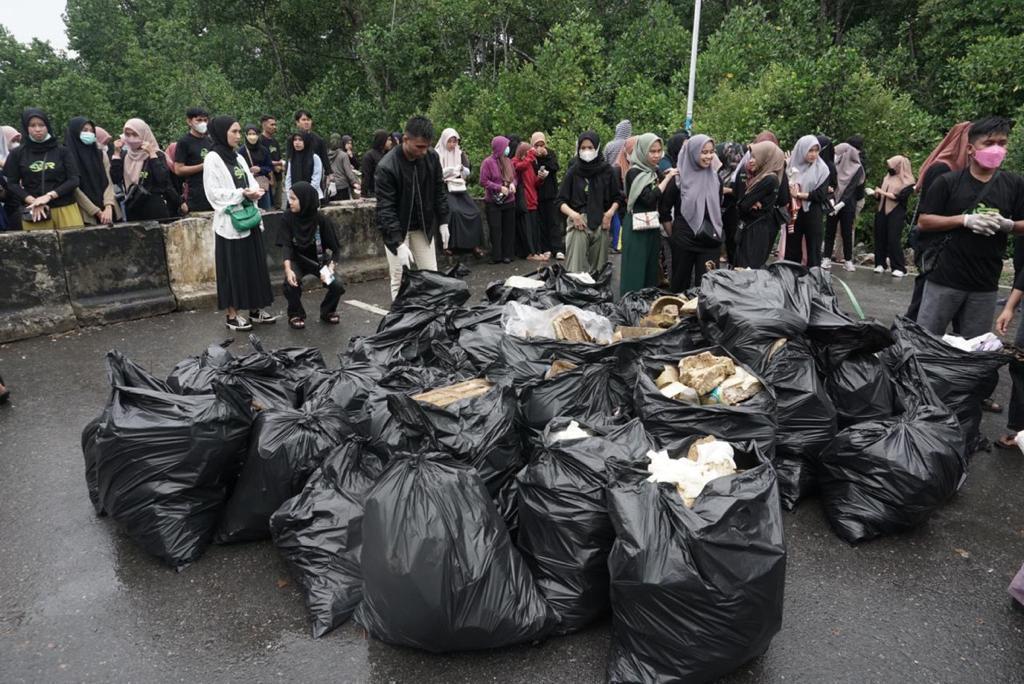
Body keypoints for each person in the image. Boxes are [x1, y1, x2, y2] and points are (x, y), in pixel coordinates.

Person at [916, 116, 1023, 342]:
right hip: (945, 277)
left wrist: (1009, 225)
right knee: (925, 341)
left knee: (973, 348)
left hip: (985, 283)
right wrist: (964, 220)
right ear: (971, 148)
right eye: (989, 143)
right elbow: (924, 221)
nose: (996, 149)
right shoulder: (948, 182)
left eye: (1002, 143)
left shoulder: (1014, 185)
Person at [203, 115, 276, 330]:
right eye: (233, 131)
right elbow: (214, 193)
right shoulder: (213, 158)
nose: (238, 135)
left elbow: (251, 181)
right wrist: (241, 193)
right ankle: (232, 315)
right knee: (232, 269)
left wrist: (254, 191)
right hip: (229, 223)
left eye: (239, 131)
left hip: (249, 219)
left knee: (253, 266)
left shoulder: (239, 157)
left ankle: (255, 309)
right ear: (221, 133)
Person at [374, 115, 450, 300]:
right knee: (399, 278)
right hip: (398, 229)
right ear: (405, 139)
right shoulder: (387, 167)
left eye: (426, 146)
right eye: (419, 147)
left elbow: (439, 190)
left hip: (423, 226)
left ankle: (430, 317)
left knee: (431, 275)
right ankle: (399, 322)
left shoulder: (432, 157)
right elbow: (386, 209)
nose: (423, 151)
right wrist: (398, 243)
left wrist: (443, 221)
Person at [905, 121, 972, 321]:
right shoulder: (942, 169)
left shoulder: (964, 172)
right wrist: (963, 219)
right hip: (934, 245)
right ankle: (903, 340)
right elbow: (928, 215)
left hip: (950, 247)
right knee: (924, 302)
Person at [659, 134, 722, 291]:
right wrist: (674, 236)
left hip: (710, 239)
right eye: (704, 152)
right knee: (680, 285)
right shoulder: (679, 179)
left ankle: (702, 316)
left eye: (711, 152)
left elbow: (718, 207)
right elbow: (664, 210)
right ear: (693, 153)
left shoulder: (715, 178)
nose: (708, 156)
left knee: (708, 286)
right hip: (684, 240)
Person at [3, 108, 84, 230]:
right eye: (32, 125)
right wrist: (34, 201)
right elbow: (12, 183)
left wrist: (48, 196)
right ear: (26, 128)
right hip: (35, 211)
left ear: (47, 126)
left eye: (41, 125)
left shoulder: (62, 151)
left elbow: (74, 180)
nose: (37, 129)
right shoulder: (17, 154)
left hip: (65, 207)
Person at [279, 181, 345, 329]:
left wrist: (331, 268)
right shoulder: (287, 217)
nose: (290, 202)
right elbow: (286, 246)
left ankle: (328, 311)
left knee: (337, 285)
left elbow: (336, 250)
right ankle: (295, 313)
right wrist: (288, 270)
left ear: (305, 199)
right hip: (298, 260)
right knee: (290, 283)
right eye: (290, 198)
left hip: (319, 261)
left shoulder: (321, 219)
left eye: (294, 199)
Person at [557, 131, 623, 275]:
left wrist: (610, 214)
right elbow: (560, 200)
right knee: (575, 270)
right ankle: (574, 295)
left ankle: (596, 294)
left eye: (590, 147)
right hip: (579, 222)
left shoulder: (607, 171)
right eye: (583, 148)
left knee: (598, 271)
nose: (587, 151)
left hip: (601, 221)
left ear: (597, 148)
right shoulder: (573, 171)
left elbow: (617, 197)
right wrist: (574, 215)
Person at [620, 133, 674, 293]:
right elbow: (648, 198)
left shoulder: (653, 172)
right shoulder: (634, 173)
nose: (657, 155)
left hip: (651, 225)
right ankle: (630, 306)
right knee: (634, 270)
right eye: (652, 151)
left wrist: (663, 176)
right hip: (636, 227)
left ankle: (646, 306)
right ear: (643, 151)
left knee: (650, 268)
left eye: (659, 151)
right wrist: (666, 179)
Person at [110, 118, 184, 221]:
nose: (131, 138)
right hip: (133, 206)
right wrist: (116, 154)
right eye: (127, 134)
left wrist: (152, 155)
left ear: (144, 135)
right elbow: (115, 178)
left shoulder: (157, 155)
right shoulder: (124, 155)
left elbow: (163, 180)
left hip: (154, 207)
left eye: (135, 135)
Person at [734, 140, 786, 269]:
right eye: (751, 157)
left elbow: (743, 205)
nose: (751, 160)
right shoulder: (762, 177)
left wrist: (747, 200)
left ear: (767, 158)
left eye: (756, 157)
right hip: (755, 228)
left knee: (747, 271)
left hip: (755, 232)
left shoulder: (769, 179)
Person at [784, 134, 831, 268]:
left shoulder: (822, 169)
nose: (814, 154)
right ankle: (790, 276)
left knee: (814, 247)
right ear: (801, 150)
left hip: (813, 211)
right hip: (794, 212)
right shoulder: (790, 166)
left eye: (816, 150)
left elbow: (821, 194)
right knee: (792, 246)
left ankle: (813, 278)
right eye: (810, 150)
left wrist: (799, 194)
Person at [435, 127, 483, 255]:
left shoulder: (460, 153)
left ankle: (474, 244)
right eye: (450, 141)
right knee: (454, 212)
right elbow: (437, 173)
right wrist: (449, 170)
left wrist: (461, 169)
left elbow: (467, 172)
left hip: (459, 186)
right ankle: (450, 245)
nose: (452, 144)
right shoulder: (437, 154)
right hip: (445, 187)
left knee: (475, 211)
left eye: (455, 141)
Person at [66, 117, 117, 227]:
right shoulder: (67, 157)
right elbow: (74, 188)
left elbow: (109, 181)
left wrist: (108, 206)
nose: (89, 134)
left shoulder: (100, 154)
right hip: (85, 214)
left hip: (108, 212)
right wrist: (96, 211)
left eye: (91, 131)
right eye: (84, 130)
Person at [822, 142, 865, 271]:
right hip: (833, 201)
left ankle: (848, 260)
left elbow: (851, 188)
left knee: (846, 232)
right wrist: (831, 201)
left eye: (840, 153)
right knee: (830, 230)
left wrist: (841, 204)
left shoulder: (857, 168)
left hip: (847, 204)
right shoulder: (834, 166)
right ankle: (826, 258)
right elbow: (831, 183)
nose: (837, 156)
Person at [872, 155, 915, 277]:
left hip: (896, 212)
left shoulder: (908, 181)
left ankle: (899, 267)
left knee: (893, 239)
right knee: (880, 236)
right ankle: (880, 264)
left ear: (899, 166)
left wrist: (882, 192)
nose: (889, 168)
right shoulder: (887, 177)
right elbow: (880, 195)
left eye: (892, 166)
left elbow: (901, 197)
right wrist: (877, 194)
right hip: (881, 210)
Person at [479, 135, 517, 264]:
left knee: (508, 229)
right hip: (494, 201)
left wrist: (513, 184)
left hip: (509, 200)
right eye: (506, 147)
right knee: (495, 229)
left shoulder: (508, 161)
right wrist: (498, 188)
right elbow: (483, 181)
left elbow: (515, 178)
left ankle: (508, 254)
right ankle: (496, 255)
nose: (508, 149)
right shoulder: (488, 162)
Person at [513, 142, 548, 261]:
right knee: (526, 229)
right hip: (524, 201)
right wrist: (530, 156)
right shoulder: (517, 161)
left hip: (533, 199)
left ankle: (536, 251)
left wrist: (541, 178)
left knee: (534, 229)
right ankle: (530, 253)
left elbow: (534, 183)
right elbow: (518, 167)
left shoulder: (529, 164)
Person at [174, 107, 213, 212]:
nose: (203, 123)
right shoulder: (184, 142)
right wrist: (203, 166)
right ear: (189, 121)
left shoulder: (210, 141)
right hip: (194, 195)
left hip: (212, 193)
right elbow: (178, 169)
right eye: (199, 120)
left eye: (205, 120)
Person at [531, 131, 562, 259]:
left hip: (551, 193)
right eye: (537, 145)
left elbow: (555, 167)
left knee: (554, 221)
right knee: (542, 222)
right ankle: (546, 248)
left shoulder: (550, 153)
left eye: (541, 144)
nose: (539, 147)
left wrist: (546, 156)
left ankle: (557, 248)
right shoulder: (531, 156)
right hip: (538, 193)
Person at [716, 141, 745, 266]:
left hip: (732, 208)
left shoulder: (740, 170)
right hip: (717, 207)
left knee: (732, 240)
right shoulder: (717, 168)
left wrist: (726, 190)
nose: (736, 157)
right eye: (731, 154)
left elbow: (743, 190)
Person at [283, 132, 323, 209]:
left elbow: (316, 179)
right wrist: (290, 196)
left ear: (306, 141)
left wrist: (305, 196)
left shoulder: (314, 158)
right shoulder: (292, 159)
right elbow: (288, 179)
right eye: (295, 140)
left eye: (300, 140)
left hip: (311, 197)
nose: (297, 142)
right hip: (294, 198)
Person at [294, 110, 330, 193]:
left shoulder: (318, 140)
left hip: (315, 176)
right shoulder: (292, 139)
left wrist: (329, 174)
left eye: (308, 120)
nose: (306, 122)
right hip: (297, 174)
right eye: (303, 120)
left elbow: (324, 158)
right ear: (297, 122)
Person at [239, 124, 274, 210]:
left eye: (254, 134)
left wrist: (260, 169)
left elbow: (269, 166)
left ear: (258, 135)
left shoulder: (263, 150)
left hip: (262, 185)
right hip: (248, 186)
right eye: (249, 134)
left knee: (266, 210)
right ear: (246, 135)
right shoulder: (241, 151)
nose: (252, 136)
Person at [1, 125, 24, 230]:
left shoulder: (18, 156)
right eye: (13, 140)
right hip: (8, 209)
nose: (16, 143)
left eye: (18, 140)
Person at [260, 115, 285, 207]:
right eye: (272, 124)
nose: (274, 127)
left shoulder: (274, 141)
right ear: (264, 125)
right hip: (268, 177)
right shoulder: (260, 141)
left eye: (275, 125)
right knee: (269, 205)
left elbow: (278, 157)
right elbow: (262, 161)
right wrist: (278, 163)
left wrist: (281, 165)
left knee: (278, 204)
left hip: (278, 176)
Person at [329, 133, 360, 200]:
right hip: (342, 185)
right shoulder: (343, 155)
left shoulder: (327, 155)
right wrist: (355, 182)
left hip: (331, 185)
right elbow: (348, 171)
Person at [360, 130, 389, 198]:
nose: (390, 142)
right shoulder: (369, 156)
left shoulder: (387, 154)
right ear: (382, 141)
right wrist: (363, 194)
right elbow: (366, 175)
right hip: (374, 193)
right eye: (388, 140)